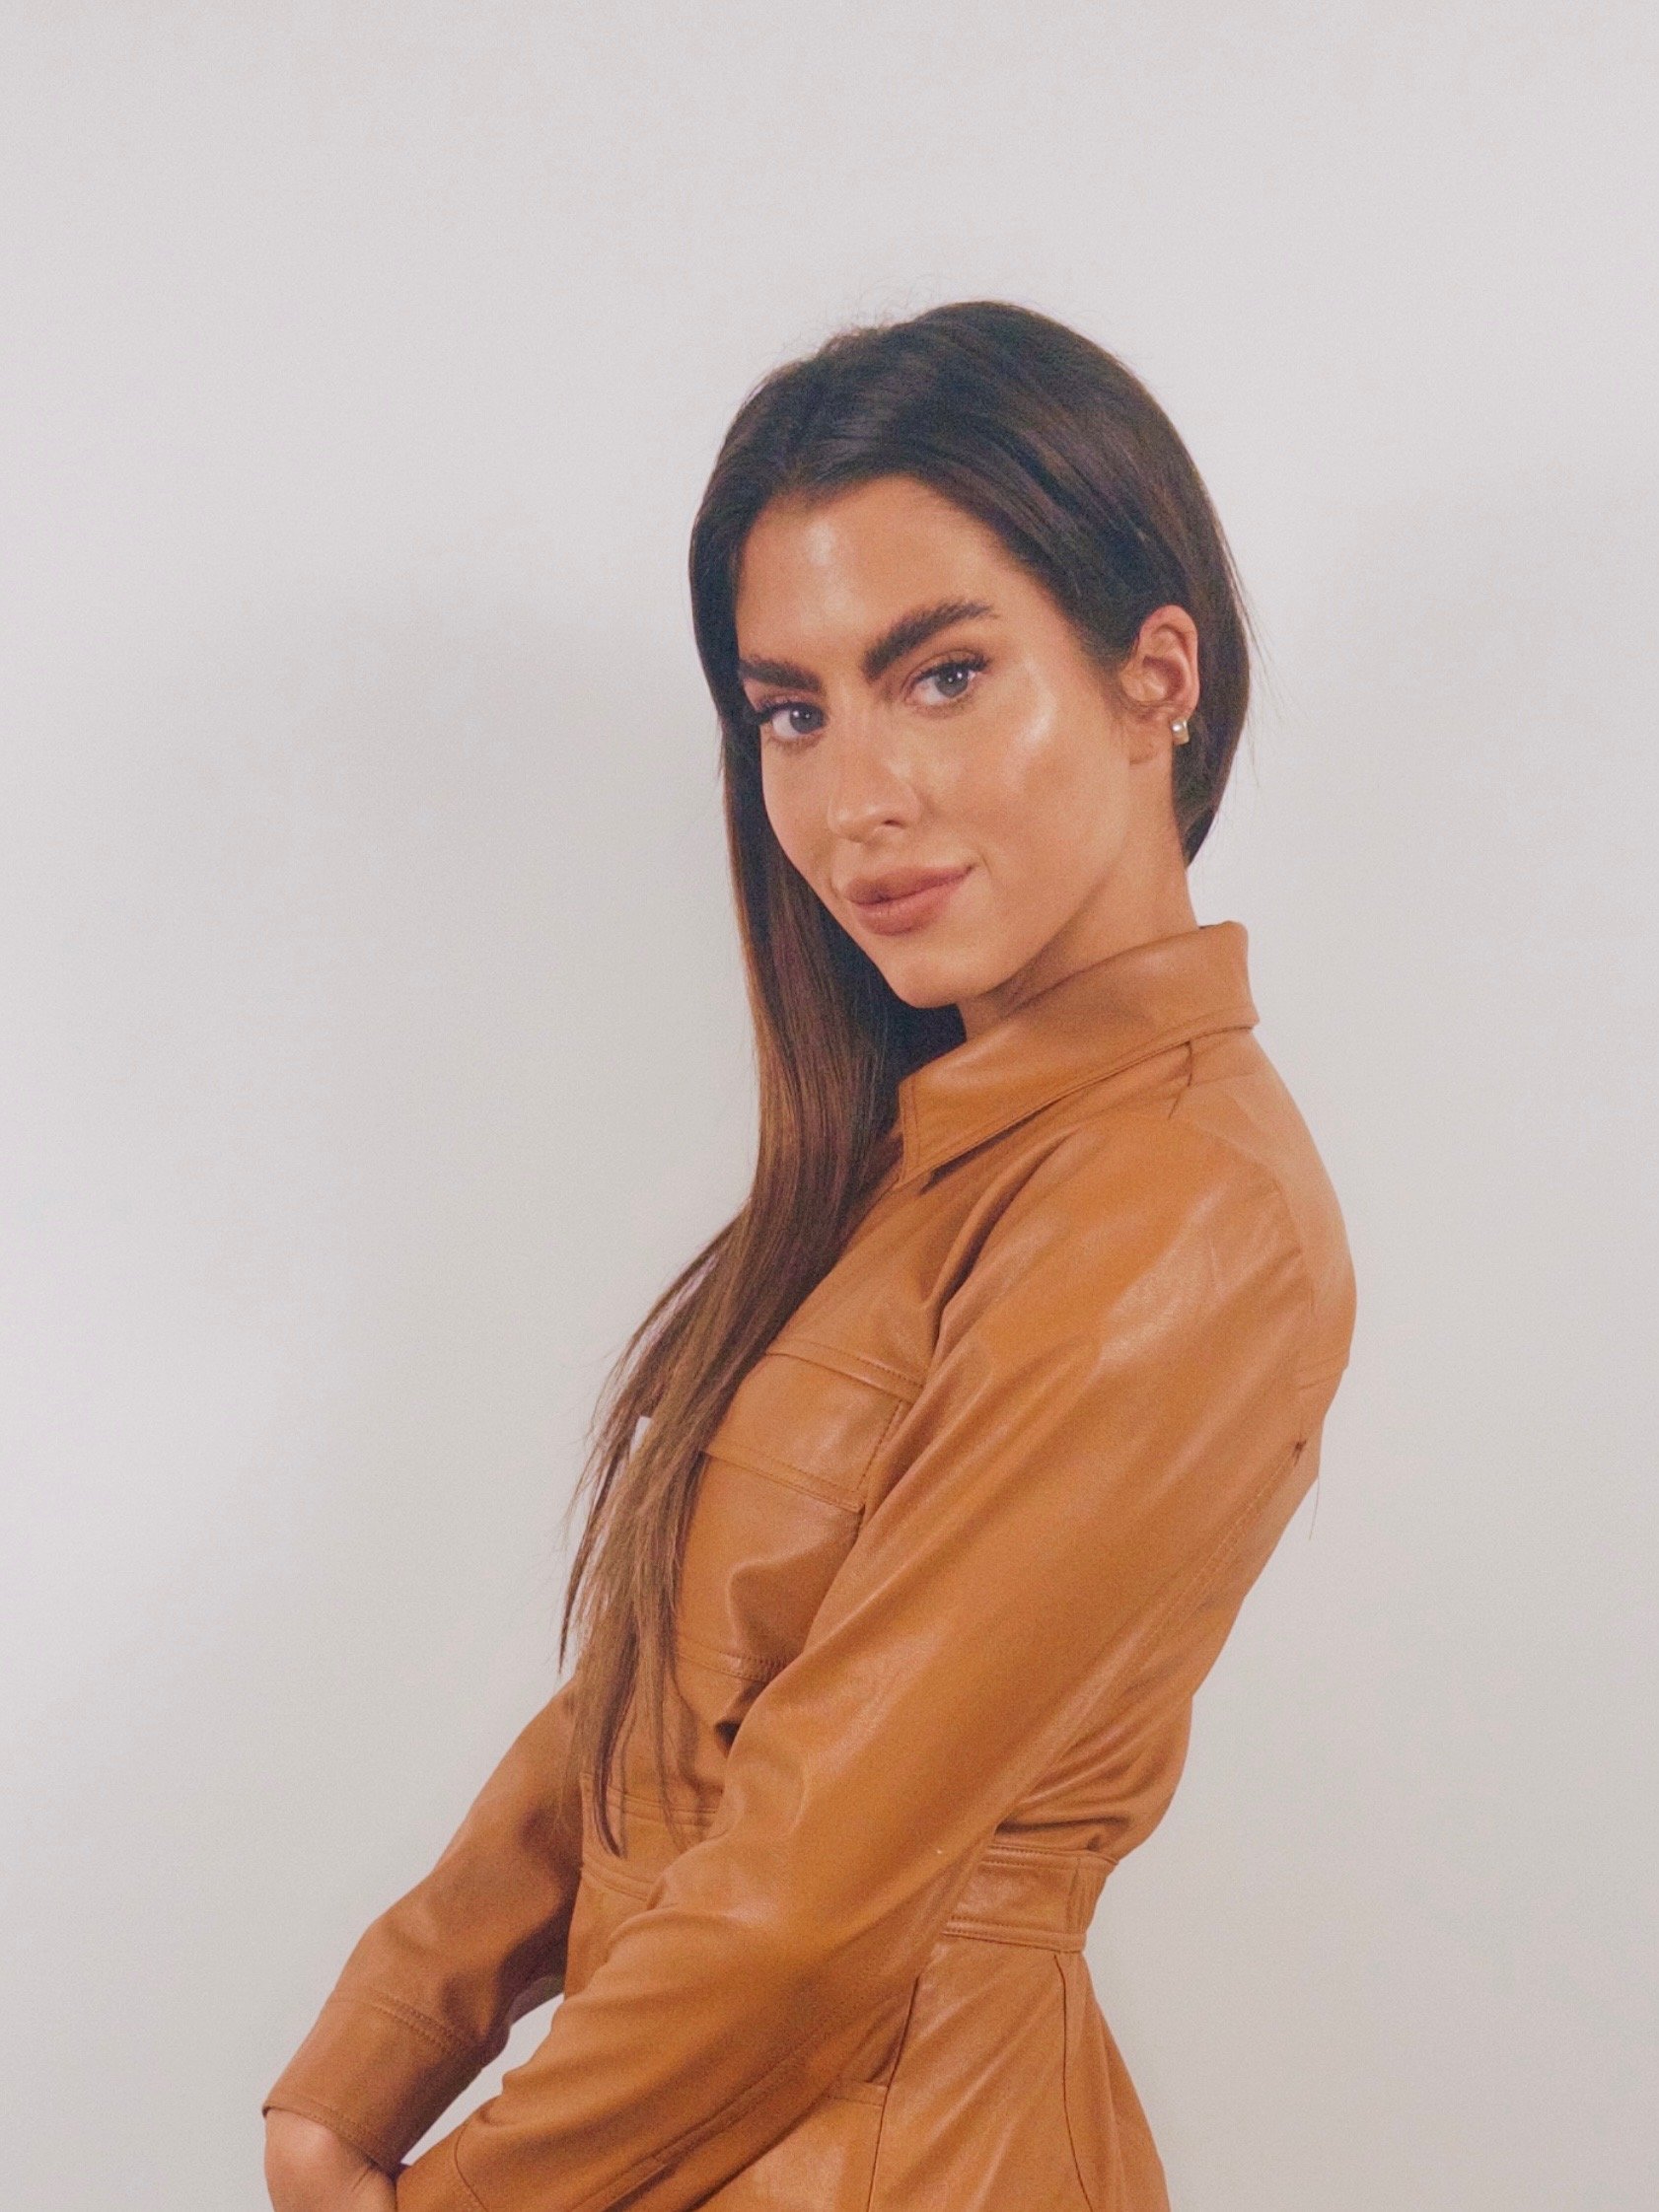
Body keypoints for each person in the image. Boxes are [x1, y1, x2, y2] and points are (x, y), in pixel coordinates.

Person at [261, 299, 1357, 2212]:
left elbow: (807, 1897)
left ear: (1152, 678)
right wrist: (369, 2060)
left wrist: (446, 2192)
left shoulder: (1174, 1210)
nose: (856, 800)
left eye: (943, 675)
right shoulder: (938, 1161)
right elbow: (667, 1696)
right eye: (792, 711)